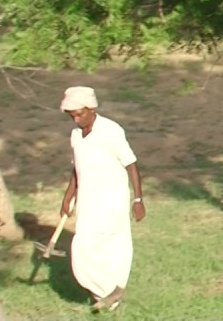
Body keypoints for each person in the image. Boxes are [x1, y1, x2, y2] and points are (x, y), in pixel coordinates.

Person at [59, 86, 145, 311]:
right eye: (72, 116)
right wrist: (67, 198)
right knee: (87, 247)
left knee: (100, 245)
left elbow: (131, 164)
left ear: (91, 108)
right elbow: (76, 170)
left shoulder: (111, 130)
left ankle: (109, 293)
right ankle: (109, 292)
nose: (76, 120)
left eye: (79, 114)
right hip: (87, 199)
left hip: (112, 198)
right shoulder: (76, 135)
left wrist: (138, 200)